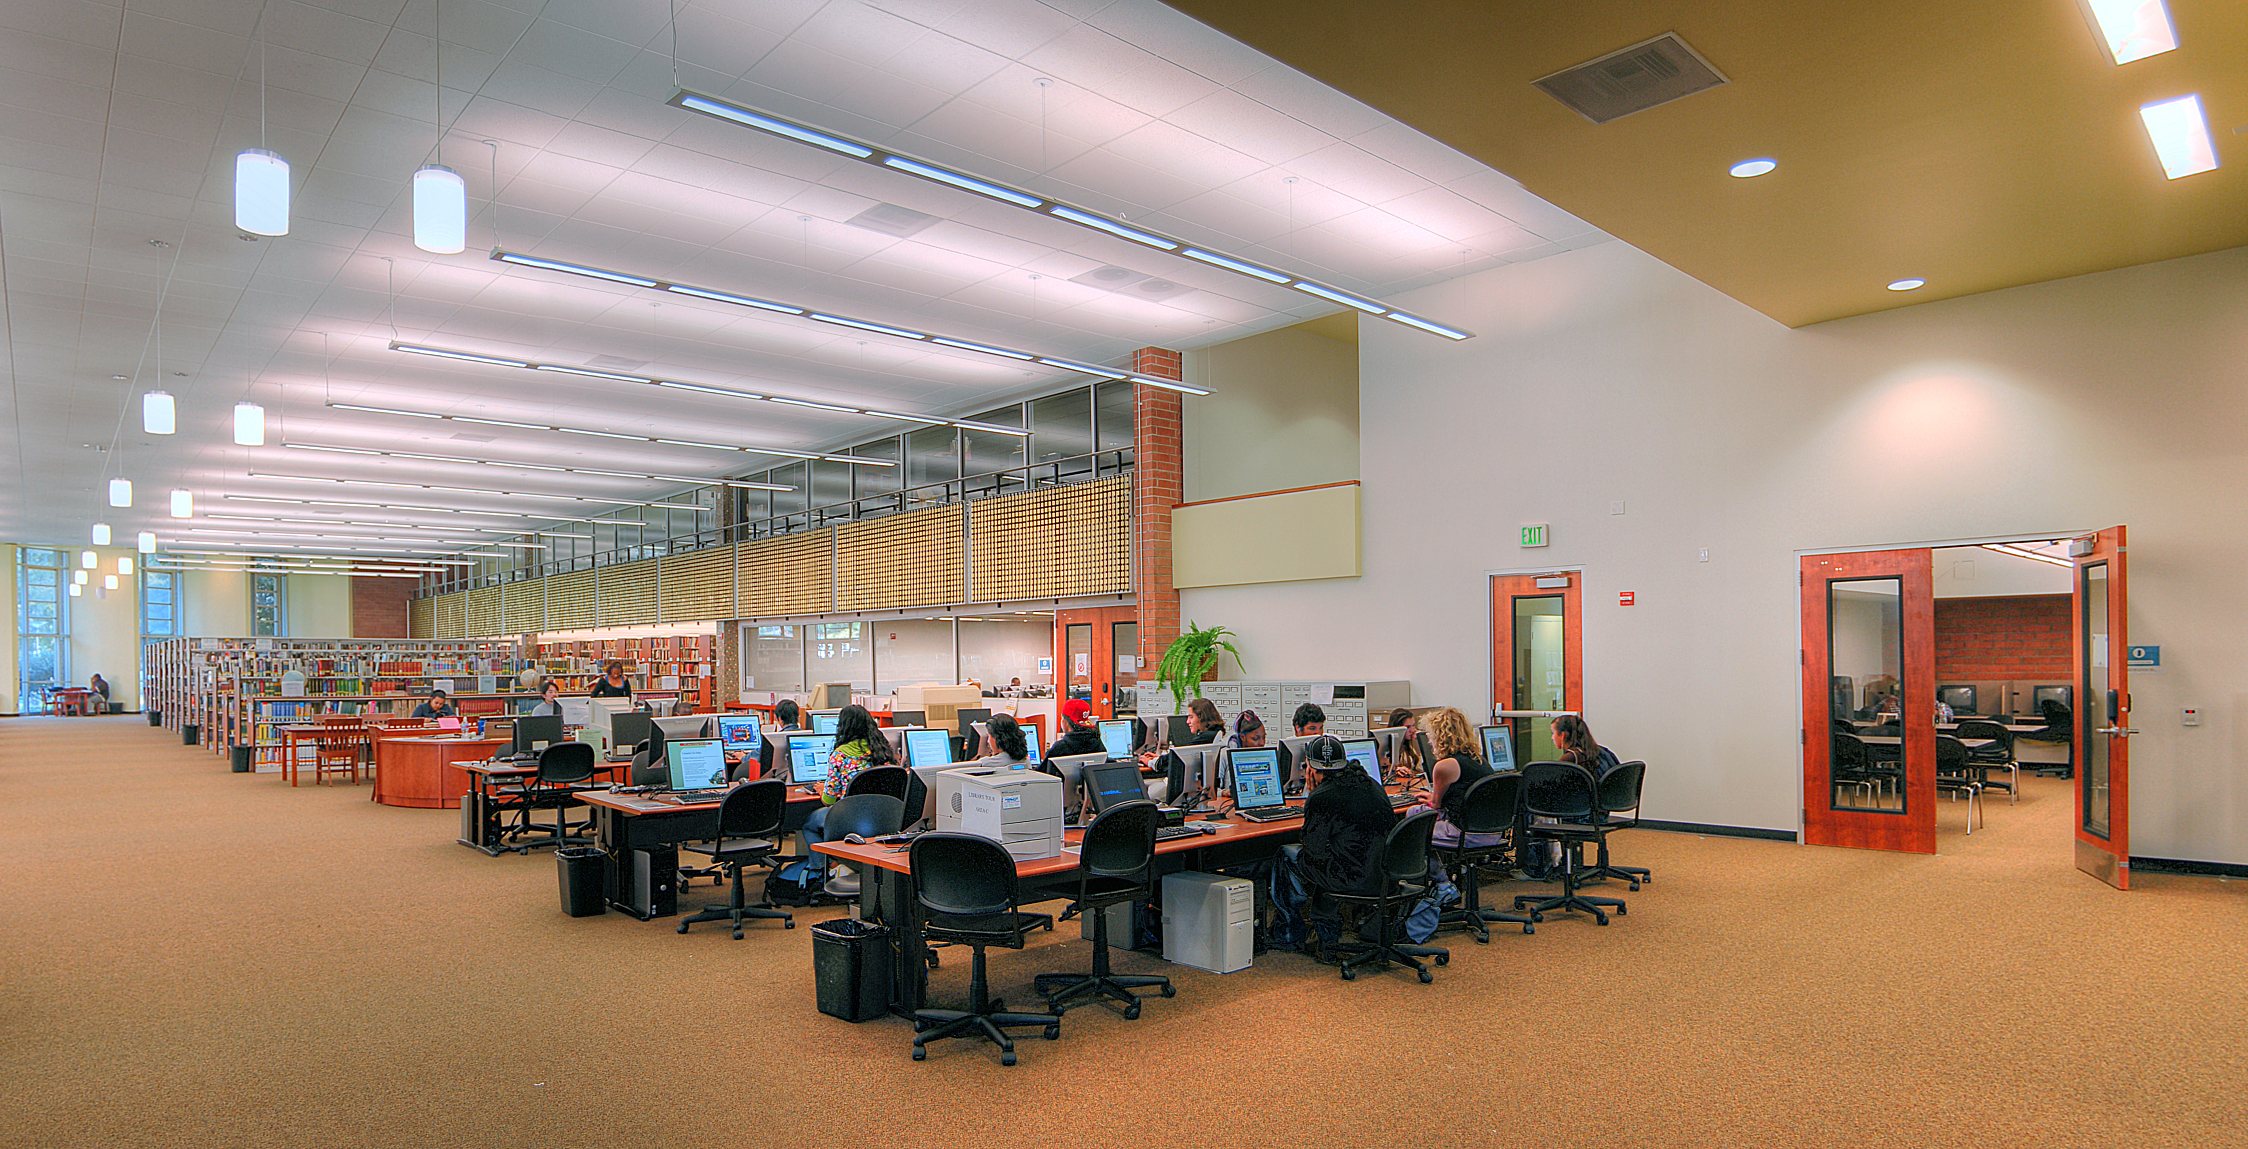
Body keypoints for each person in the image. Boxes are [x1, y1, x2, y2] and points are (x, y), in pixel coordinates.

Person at [1270, 735, 1399, 956]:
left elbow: (1312, 846)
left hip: (1351, 877)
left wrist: (1312, 797)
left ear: (1309, 766)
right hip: (1386, 874)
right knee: (1334, 856)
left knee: (1286, 854)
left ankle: (1291, 933)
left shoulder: (1322, 796)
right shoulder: (1372, 784)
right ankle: (1324, 926)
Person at [785, 704, 897, 884]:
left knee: (808, 823)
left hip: (849, 817)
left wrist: (823, 790)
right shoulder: (882, 750)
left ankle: (824, 872)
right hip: (882, 817)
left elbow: (828, 801)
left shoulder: (840, 755)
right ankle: (841, 865)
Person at [1420, 708, 1491, 846]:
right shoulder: (1479, 759)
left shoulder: (1445, 766)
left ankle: (1434, 867)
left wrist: (1432, 800)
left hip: (1466, 834)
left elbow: (1436, 805)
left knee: (1413, 820)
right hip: (1492, 832)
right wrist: (1433, 798)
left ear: (1439, 736)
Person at [1275, 701, 1327, 791]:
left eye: (1320, 728)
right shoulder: (1289, 747)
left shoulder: (1326, 745)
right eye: (1312, 728)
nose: (1318, 733)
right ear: (1298, 728)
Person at [756, 699, 803, 780]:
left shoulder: (773, 739)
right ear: (798, 718)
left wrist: (742, 757)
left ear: (779, 718)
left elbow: (756, 756)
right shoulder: (808, 736)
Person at [968, 713, 1032, 767]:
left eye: (989, 736)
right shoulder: (1026, 761)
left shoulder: (986, 763)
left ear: (997, 738)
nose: (988, 741)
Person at [1386, 707, 1424, 779]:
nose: (1413, 730)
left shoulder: (1408, 746)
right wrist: (1395, 771)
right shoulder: (1386, 749)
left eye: (1413, 725)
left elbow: (1420, 769)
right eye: (1408, 727)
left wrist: (1421, 743)